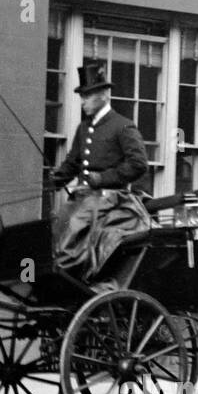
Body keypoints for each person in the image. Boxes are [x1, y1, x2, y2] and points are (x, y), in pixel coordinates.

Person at [50, 61, 149, 276]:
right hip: (84, 196)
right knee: (57, 221)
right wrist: (57, 178)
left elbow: (138, 164)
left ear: (104, 95)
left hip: (111, 197)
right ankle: (58, 278)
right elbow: (73, 162)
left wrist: (103, 178)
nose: (83, 101)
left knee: (76, 224)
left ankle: (74, 278)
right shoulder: (84, 127)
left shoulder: (123, 126)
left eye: (87, 96)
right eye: (82, 96)